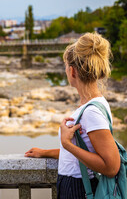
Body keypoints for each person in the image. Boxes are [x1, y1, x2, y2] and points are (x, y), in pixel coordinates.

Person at [25, 32, 120, 198]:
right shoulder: (95, 104)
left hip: (80, 189)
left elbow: (111, 167)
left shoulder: (91, 112)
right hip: (77, 185)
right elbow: (82, 153)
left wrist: (67, 143)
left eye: (65, 67)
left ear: (72, 71)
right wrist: (46, 152)